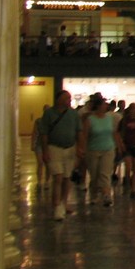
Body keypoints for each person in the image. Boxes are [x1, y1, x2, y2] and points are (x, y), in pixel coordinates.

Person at [39, 91, 83, 220]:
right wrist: (45, 150)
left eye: (69, 98)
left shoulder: (73, 114)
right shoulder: (49, 114)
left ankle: (64, 203)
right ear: (58, 100)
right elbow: (44, 133)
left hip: (70, 148)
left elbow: (79, 131)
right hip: (54, 148)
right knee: (58, 177)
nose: (69, 100)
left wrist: (80, 148)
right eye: (66, 98)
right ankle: (57, 205)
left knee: (67, 178)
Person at [80, 96, 123, 207]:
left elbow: (113, 132)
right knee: (94, 175)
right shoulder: (90, 120)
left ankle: (106, 195)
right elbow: (84, 135)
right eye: (104, 104)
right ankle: (94, 194)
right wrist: (82, 149)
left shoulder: (109, 118)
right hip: (93, 150)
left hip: (108, 149)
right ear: (98, 106)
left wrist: (118, 146)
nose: (106, 106)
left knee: (105, 174)